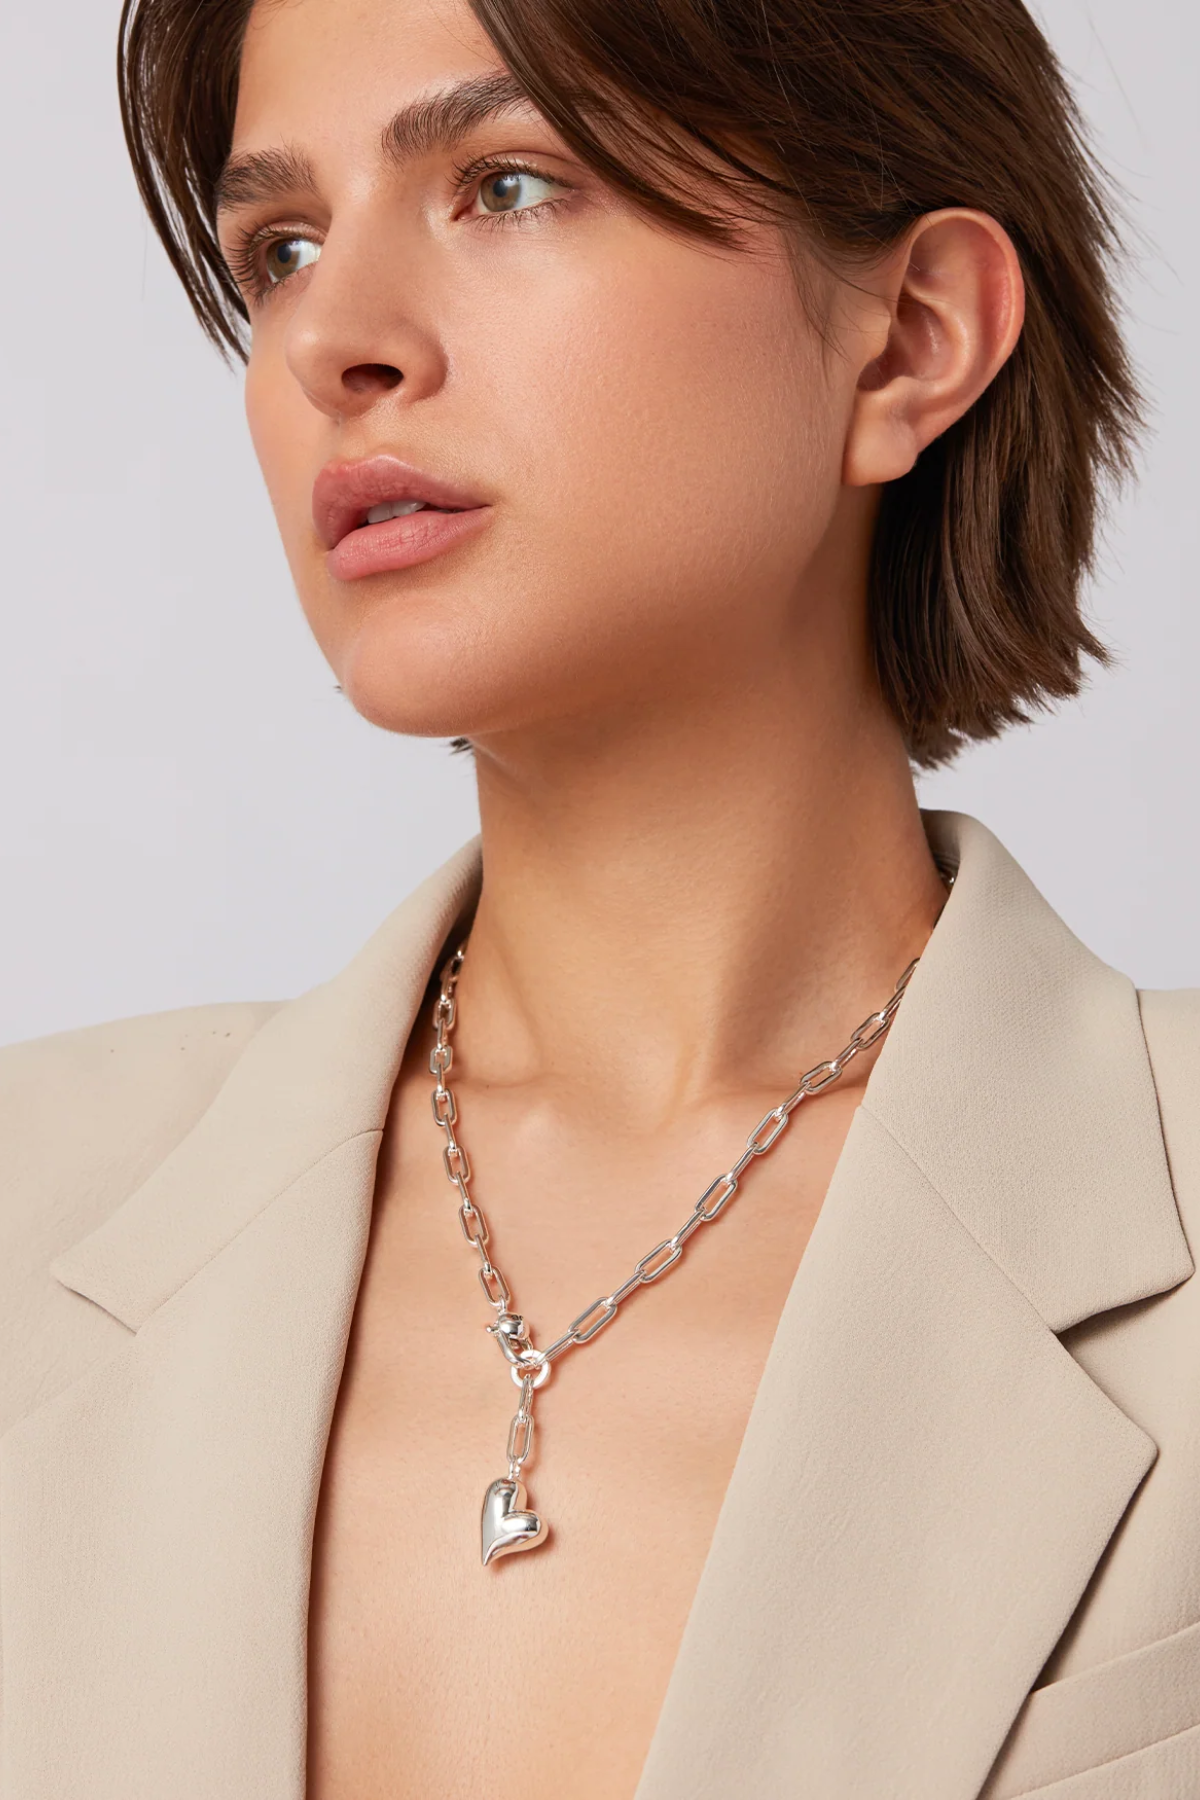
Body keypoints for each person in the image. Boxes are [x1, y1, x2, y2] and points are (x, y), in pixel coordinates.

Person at [2, 0, 1197, 1794]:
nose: (337, 335)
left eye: (506, 184)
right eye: (284, 245)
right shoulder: (32, 1207)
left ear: (910, 343)